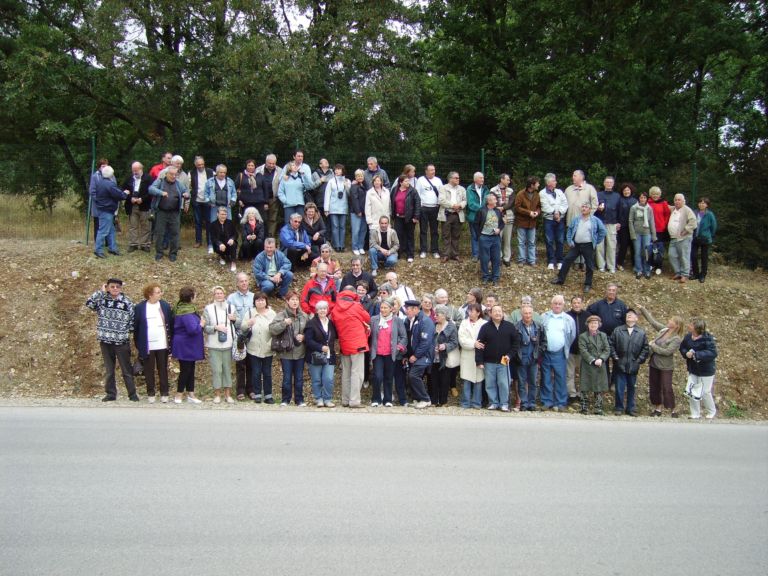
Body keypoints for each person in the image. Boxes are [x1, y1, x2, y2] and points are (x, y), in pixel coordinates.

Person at [85, 279, 138, 402]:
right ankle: (110, 394)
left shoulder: (127, 302)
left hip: (121, 341)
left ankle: (132, 394)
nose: (115, 289)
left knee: (126, 369)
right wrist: (100, 292)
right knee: (109, 370)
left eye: (117, 287)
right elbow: (89, 304)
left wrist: (124, 332)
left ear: (121, 288)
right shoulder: (102, 300)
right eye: (112, 286)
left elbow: (133, 320)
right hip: (105, 340)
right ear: (107, 287)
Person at [550, 202, 607, 293]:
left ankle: (588, 284)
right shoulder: (576, 219)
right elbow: (570, 230)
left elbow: (603, 231)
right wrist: (570, 241)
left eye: (586, 207)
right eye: (582, 207)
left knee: (589, 265)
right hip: (576, 245)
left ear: (590, 210)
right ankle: (560, 279)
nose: (584, 208)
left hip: (588, 245)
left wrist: (596, 241)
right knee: (567, 260)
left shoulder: (595, 220)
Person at [639, 306, 684, 417]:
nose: (669, 321)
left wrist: (653, 346)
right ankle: (658, 408)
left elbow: (667, 352)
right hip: (654, 363)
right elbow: (653, 322)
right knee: (654, 386)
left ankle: (673, 409)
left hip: (666, 366)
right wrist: (643, 309)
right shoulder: (664, 330)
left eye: (671, 320)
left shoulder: (676, 339)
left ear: (676, 325)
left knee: (666, 387)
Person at [330, 287, 371, 408]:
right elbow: (367, 318)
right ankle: (354, 401)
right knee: (357, 373)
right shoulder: (356, 306)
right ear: (353, 294)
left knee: (346, 373)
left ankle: (345, 400)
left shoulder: (335, 309)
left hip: (344, 344)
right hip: (358, 344)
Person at [475, 304, 520, 412]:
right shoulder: (485, 327)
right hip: (488, 361)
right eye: (495, 311)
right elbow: (479, 344)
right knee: (490, 384)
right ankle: (493, 403)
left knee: (504, 383)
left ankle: (504, 404)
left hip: (504, 361)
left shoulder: (509, 326)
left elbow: (516, 343)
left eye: (500, 311)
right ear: (490, 314)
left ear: (503, 313)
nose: (497, 313)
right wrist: (479, 361)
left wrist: (509, 355)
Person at [133, 283, 173, 403]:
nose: (161, 294)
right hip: (147, 345)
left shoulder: (165, 305)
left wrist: (170, 342)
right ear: (150, 294)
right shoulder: (140, 307)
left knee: (163, 369)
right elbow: (136, 327)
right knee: (149, 370)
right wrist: (139, 344)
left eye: (160, 291)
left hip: (162, 343)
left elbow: (170, 323)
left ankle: (164, 393)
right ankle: (151, 393)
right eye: (158, 292)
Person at [269, 291, 308, 406]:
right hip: (286, 352)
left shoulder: (304, 316)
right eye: (292, 299)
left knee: (299, 378)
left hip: (300, 351)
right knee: (286, 378)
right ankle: (285, 399)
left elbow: (310, 331)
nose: (295, 302)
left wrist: (304, 337)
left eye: (296, 299)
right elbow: (272, 329)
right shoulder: (282, 315)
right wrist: (284, 323)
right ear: (287, 301)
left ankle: (299, 400)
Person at [237, 291, 276, 404]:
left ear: (266, 301)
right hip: (253, 348)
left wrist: (271, 343)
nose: (260, 302)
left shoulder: (272, 313)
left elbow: (276, 330)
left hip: (268, 348)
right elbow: (242, 328)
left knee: (267, 373)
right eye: (258, 300)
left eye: (262, 300)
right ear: (254, 302)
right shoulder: (250, 312)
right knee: (256, 372)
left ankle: (268, 395)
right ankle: (257, 394)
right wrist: (248, 323)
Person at [587, 282, 628, 388]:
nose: (611, 292)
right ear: (606, 291)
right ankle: (605, 382)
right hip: (601, 338)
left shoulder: (621, 305)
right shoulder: (599, 304)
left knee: (616, 361)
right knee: (603, 360)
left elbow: (626, 321)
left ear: (616, 292)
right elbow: (588, 312)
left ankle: (614, 383)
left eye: (613, 290)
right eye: (609, 290)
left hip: (617, 339)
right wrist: (594, 325)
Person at [609, 308, 649, 416]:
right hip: (620, 363)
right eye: (628, 314)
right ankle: (619, 407)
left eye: (632, 314)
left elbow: (645, 348)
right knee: (619, 387)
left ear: (636, 318)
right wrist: (615, 358)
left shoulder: (641, 332)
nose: (629, 315)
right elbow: (611, 344)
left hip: (633, 364)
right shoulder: (618, 330)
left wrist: (639, 360)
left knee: (632, 387)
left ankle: (631, 408)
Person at [540, 295, 576, 411]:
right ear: (551, 304)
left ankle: (560, 402)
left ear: (563, 305)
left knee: (560, 378)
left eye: (560, 304)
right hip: (546, 352)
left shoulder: (568, 319)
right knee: (546, 378)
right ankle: (547, 401)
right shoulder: (544, 316)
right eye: (555, 303)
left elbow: (572, 336)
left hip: (560, 353)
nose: (557, 305)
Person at [369, 298, 407, 407]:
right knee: (377, 376)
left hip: (391, 353)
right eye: (381, 307)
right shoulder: (374, 319)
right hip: (377, 353)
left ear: (391, 309)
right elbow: (369, 335)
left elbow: (404, 337)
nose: (383, 310)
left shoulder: (397, 321)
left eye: (385, 308)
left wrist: (398, 347)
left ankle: (387, 399)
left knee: (389, 377)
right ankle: (376, 399)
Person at [170, 286, 204, 404]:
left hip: (187, 344)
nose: (196, 297)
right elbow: (192, 330)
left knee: (191, 368)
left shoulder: (182, 307)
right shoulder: (187, 312)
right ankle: (179, 394)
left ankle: (191, 394)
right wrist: (201, 324)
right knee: (186, 370)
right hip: (186, 345)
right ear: (191, 297)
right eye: (195, 295)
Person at [202, 286, 236, 404]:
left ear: (224, 294)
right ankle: (217, 395)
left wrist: (234, 319)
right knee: (217, 370)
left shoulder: (231, 307)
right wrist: (216, 327)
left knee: (227, 369)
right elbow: (205, 327)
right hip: (214, 344)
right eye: (216, 293)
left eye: (221, 293)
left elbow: (238, 324)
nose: (219, 295)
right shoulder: (208, 308)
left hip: (228, 343)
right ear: (213, 295)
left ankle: (228, 394)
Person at [679, 317, 718, 419]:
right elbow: (682, 347)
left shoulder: (707, 338)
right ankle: (695, 413)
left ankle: (711, 411)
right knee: (692, 390)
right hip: (693, 368)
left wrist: (697, 354)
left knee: (705, 391)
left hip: (706, 370)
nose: (688, 326)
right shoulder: (688, 337)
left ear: (696, 328)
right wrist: (686, 353)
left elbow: (713, 353)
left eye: (691, 324)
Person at [304, 300, 337, 407]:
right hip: (315, 356)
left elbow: (336, 336)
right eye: (320, 309)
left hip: (329, 356)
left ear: (327, 310)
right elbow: (308, 340)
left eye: (324, 308)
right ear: (316, 310)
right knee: (317, 379)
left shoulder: (331, 323)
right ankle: (318, 399)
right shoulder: (311, 323)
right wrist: (320, 347)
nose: (322, 310)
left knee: (328, 379)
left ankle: (327, 399)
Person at [402, 300, 435, 409]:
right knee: (412, 376)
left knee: (414, 375)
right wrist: (406, 355)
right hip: (414, 355)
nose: (406, 311)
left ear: (415, 309)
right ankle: (418, 399)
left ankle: (425, 399)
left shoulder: (425, 321)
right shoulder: (409, 320)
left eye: (408, 309)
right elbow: (409, 339)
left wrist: (416, 355)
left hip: (424, 355)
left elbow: (426, 342)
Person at [93, 166, 130, 258]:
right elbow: (119, 195)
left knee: (111, 230)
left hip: (103, 208)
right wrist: (125, 193)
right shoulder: (110, 184)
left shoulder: (101, 182)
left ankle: (112, 248)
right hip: (107, 209)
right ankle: (98, 250)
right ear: (111, 174)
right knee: (103, 231)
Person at [514, 304, 546, 411]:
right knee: (522, 382)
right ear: (521, 314)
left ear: (533, 314)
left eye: (529, 313)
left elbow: (544, 342)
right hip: (521, 357)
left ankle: (532, 403)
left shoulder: (539, 326)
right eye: (525, 313)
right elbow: (513, 343)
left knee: (533, 382)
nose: (528, 315)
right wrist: (516, 356)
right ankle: (524, 403)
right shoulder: (516, 327)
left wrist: (539, 353)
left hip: (534, 358)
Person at [227, 273, 254, 401]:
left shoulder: (254, 297)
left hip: (252, 333)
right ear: (237, 283)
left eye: (246, 281)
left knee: (251, 363)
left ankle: (251, 389)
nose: (244, 283)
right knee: (240, 363)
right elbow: (230, 317)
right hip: (239, 334)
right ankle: (240, 390)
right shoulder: (231, 298)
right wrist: (239, 323)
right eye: (241, 281)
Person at [578, 315, 611, 414]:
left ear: (599, 324)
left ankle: (598, 408)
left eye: (595, 323)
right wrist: (592, 360)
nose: (593, 325)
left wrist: (601, 359)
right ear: (588, 324)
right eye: (591, 323)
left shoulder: (603, 335)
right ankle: (584, 407)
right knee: (585, 386)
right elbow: (583, 350)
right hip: (587, 364)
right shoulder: (583, 336)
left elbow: (607, 349)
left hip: (600, 364)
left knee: (599, 386)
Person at [429, 306, 460, 407]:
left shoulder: (451, 327)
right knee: (433, 380)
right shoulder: (433, 325)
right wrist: (432, 347)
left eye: (437, 314)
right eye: (435, 314)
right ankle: (434, 401)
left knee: (444, 380)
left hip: (445, 357)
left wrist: (445, 346)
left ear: (444, 315)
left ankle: (443, 402)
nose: (435, 316)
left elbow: (455, 342)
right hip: (434, 357)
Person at [458, 303, 486, 409]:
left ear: (478, 313)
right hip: (467, 354)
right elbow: (462, 339)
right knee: (466, 379)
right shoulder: (464, 323)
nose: (469, 313)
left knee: (479, 380)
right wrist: (474, 344)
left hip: (480, 355)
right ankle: (465, 403)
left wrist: (479, 345)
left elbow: (486, 339)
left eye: (472, 311)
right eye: (469, 311)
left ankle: (477, 403)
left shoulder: (484, 323)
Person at [203, 164, 237, 253]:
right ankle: (211, 245)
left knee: (228, 226)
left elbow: (234, 193)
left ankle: (228, 244)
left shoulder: (230, 181)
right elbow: (205, 193)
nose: (222, 174)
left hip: (227, 207)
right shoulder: (210, 181)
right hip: (215, 207)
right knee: (213, 226)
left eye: (224, 172)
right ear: (216, 172)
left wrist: (233, 200)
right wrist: (208, 201)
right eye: (221, 172)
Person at [474, 192, 504, 285]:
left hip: (495, 238)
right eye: (494, 199)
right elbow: (476, 224)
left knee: (496, 258)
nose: (496, 201)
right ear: (489, 201)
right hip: (484, 237)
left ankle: (495, 278)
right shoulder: (481, 211)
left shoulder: (498, 211)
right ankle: (485, 277)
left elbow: (502, 223)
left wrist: (499, 229)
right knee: (484, 259)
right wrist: (480, 236)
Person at [667, 193, 698, 283]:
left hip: (684, 237)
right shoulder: (673, 209)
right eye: (675, 200)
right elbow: (664, 206)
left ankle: (685, 275)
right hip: (673, 237)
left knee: (684, 256)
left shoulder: (687, 210)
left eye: (679, 200)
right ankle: (678, 273)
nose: (677, 201)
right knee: (671, 255)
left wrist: (685, 230)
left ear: (683, 201)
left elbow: (693, 222)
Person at [540, 172, 568, 270]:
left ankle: (560, 260)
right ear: (549, 183)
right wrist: (554, 213)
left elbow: (565, 204)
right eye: (554, 180)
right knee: (549, 240)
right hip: (549, 220)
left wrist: (559, 213)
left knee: (560, 240)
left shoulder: (559, 192)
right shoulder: (542, 193)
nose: (556, 182)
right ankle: (551, 261)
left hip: (560, 219)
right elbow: (544, 206)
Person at [122, 161, 152, 253]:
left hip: (144, 205)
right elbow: (123, 190)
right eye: (133, 170)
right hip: (132, 206)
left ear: (141, 169)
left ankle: (144, 245)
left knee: (145, 226)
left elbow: (151, 192)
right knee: (133, 226)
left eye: (136, 170)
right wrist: (129, 198)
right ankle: (133, 244)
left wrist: (142, 199)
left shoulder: (148, 178)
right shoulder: (129, 179)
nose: (135, 172)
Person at [390, 174, 421, 263]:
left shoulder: (413, 191)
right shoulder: (394, 190)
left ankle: (410, 254)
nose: (408, 182)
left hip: (409, 218)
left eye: (408, 181)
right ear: (401, 182)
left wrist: (416, 216)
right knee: (398, 236)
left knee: (409, 236)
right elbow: (391, 202)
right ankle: (398, 253)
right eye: (406, 181)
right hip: (398, 217)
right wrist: (392, 215)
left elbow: (417, 203)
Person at [438, 172, 467, 262]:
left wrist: (460, 205)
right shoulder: (443, 188)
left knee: (456, 236)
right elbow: (441, 200)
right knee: (446, 235)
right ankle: (446, 255)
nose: (458, 179)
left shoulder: (462, 189)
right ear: (450, 179)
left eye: (458, 178)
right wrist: (453, 205)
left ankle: (455, 254)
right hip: (447, 214)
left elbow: (465, 200)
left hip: (458, 214)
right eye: (456, 178)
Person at [415, 164, 442, 259]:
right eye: (431, 170)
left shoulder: (438, 180)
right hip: (424, 208)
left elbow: (441, 194)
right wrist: (420, 207)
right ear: (426, 171)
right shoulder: (420, 180)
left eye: (434, 170)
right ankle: (423, 250)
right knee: (423, 230)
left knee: (434, 231)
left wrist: (439, 205)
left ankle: (435, 250)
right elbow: (417, 194)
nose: (433, 171)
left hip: (435, 208)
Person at [566, 295, 589, 405]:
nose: (576, 305)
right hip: (570, 349)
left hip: (583, 351)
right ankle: (571, 394)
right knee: (569, 373)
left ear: (582, 304)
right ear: (571, 304)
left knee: (583, 374)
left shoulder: (587, 316)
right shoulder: (566, 316)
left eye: (578, 303)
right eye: (574, 303)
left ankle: (582, 394)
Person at [628, 191, 657, 279]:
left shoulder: (649, 209)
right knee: (637, 252)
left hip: (646, 233)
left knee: (646, 253)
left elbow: (651, 221)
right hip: (637, 233)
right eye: (641, 197)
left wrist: (654, 235)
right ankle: (638, 270)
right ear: (639, 198)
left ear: (646, 199)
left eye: (644, 197)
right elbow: (630, 221)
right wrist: (632, 234)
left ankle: (647, 270)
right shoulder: (633, 208)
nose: (643, 199)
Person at [594, 176, 621, 273]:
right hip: (600, 222)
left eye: (611, 182)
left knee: (611, 245)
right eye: (607, 182)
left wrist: (618, 222)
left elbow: (619, 210)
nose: (609, 184)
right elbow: (593, 208)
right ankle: (601, 265)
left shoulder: (617, 196)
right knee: (599, 245)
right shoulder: (598, 194)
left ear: (613, 184)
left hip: (612, 223)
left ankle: (611, 266)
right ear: (604, 183)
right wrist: (598, 209)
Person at [514, 176, 541, 266]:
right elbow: (517, 207)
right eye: (537, 183)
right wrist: (529, 212)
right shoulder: (520, 194)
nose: (538, 185)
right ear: (532, 185)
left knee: (531, 242)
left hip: (532, 222)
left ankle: (532, 260)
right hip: (521, 222)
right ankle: (521, 260)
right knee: (521, 242)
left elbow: (539, 206)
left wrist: (537, 212)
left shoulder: (537, 194)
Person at [490, 173, 516, 267]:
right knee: (498, 238)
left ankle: (507, 258)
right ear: (502, 179)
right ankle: (499, 257)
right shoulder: (493, 190)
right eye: (507, 179)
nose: (509, 181)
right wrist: (499, 207)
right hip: (497, 217)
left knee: (507, 239)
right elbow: (493, 201)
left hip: (509, 217)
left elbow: (511, 202)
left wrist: (503, 207)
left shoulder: (511, 190)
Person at [324, 163, 350, 252]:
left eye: (339, 169)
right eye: (336, 169)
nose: (337, 171)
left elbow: (350, 194)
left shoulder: (347, 181)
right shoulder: (331, 181)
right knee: (335, 226)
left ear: (343, 171)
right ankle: (336, 245)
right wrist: (326, 209)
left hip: (343, 208)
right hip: (333, 208)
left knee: (342, 227)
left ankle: (342, 245)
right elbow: (327, 195)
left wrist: (347, 186)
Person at [278, 159, 313, 224]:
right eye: (293, 165)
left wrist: (304, 175)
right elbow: (280, 192)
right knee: (289, 223)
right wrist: (286, 201)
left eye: (296, 165)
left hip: (300, 204)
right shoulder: (285, 178)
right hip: (289, 205)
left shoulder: (301, 177)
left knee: (301, 223)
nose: (295, 166)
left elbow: (310, 186)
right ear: (289, 168)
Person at [255, 154, 282, 236]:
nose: (271, 165)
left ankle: (270, 236)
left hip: (274, 198)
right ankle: (261, 236)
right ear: (266, 162)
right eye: (270, 163)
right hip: (261, 199)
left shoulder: (280, 171)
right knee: (260, 218)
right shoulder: (258, 170)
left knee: (272, 219)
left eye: (273, 163)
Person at [691, 197, 717, 283]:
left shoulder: (709, 214)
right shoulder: (694, 212)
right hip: (695, 237)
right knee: (693, 256)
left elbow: (714, 226)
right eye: (700, 202)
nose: (701, 204)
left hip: (705, 238)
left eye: (703, 203)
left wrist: (709, 235)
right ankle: (695, 274)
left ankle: (703, 275)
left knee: (704, 257)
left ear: (707, 205)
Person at [190, 157, 214, 248]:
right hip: (197, 200)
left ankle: (209, 241)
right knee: (198, 221)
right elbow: (189, 187)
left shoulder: (211, 172)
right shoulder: (191, 173)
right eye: (199, 165)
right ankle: (198, 241)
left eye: (202, 164)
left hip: (208, 201)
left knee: (209, 221)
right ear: (195, 165)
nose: (201, 166)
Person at [466, 172, 489, 262]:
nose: (482, 179)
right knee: (475, 236)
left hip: (484, 216)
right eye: (480, 178)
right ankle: (475, 255)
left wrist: (484, 210)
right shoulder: (470, 189)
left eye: (483, 178)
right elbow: (471, 204)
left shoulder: (486, 189)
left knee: (484, 235)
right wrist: (482, 209)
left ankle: (483, 254)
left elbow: (487, 201)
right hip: (474, 216)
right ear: (475, 179)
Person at [615, 183, 638, 271]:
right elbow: (617, 213)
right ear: (622, 191)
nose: (626, 192)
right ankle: (619, 263)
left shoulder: (635, 201)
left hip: (633, 227)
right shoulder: (619, 200)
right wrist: (617, 222)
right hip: (623, 226)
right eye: (624, 190)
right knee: (623, 245)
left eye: (628, 190)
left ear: (631, 191)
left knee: (633, 246)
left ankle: (635, 264)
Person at [647, 185, 669, 273]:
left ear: (659, 195)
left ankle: (659, 266)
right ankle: (650, 265)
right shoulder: (647, 203)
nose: (655, 196)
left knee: (660, 249)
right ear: (650, 194)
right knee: (650, 248)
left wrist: (664, 224)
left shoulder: (663, 203)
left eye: (657, 194)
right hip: (649, 230)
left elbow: (667, 214)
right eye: (653, 194)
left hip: (660, 230)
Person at [210, 206, 238, 272]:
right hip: (220, 245)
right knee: (219, 247)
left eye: (225, 214)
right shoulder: (213, 224)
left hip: (229, 243)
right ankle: (222, 257)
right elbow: (213, 238)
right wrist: (219, 244)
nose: (224, 216)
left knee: (233, 244)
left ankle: (233, 262)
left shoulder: (230, 222)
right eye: (222, 214)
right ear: (217, 214)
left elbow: (236, 234)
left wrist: (232, 239)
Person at [348, 169, 368, 255]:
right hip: (356, 212)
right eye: (358, 176)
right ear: (355, 177)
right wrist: (358, 211)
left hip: (364, 212)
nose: (360, 177)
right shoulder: (353, 186)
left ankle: (360, 247)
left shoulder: (364, 185)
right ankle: (355, 247)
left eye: (361, 176)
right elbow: (354, 199)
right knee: (356, 230)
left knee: (363, 230)